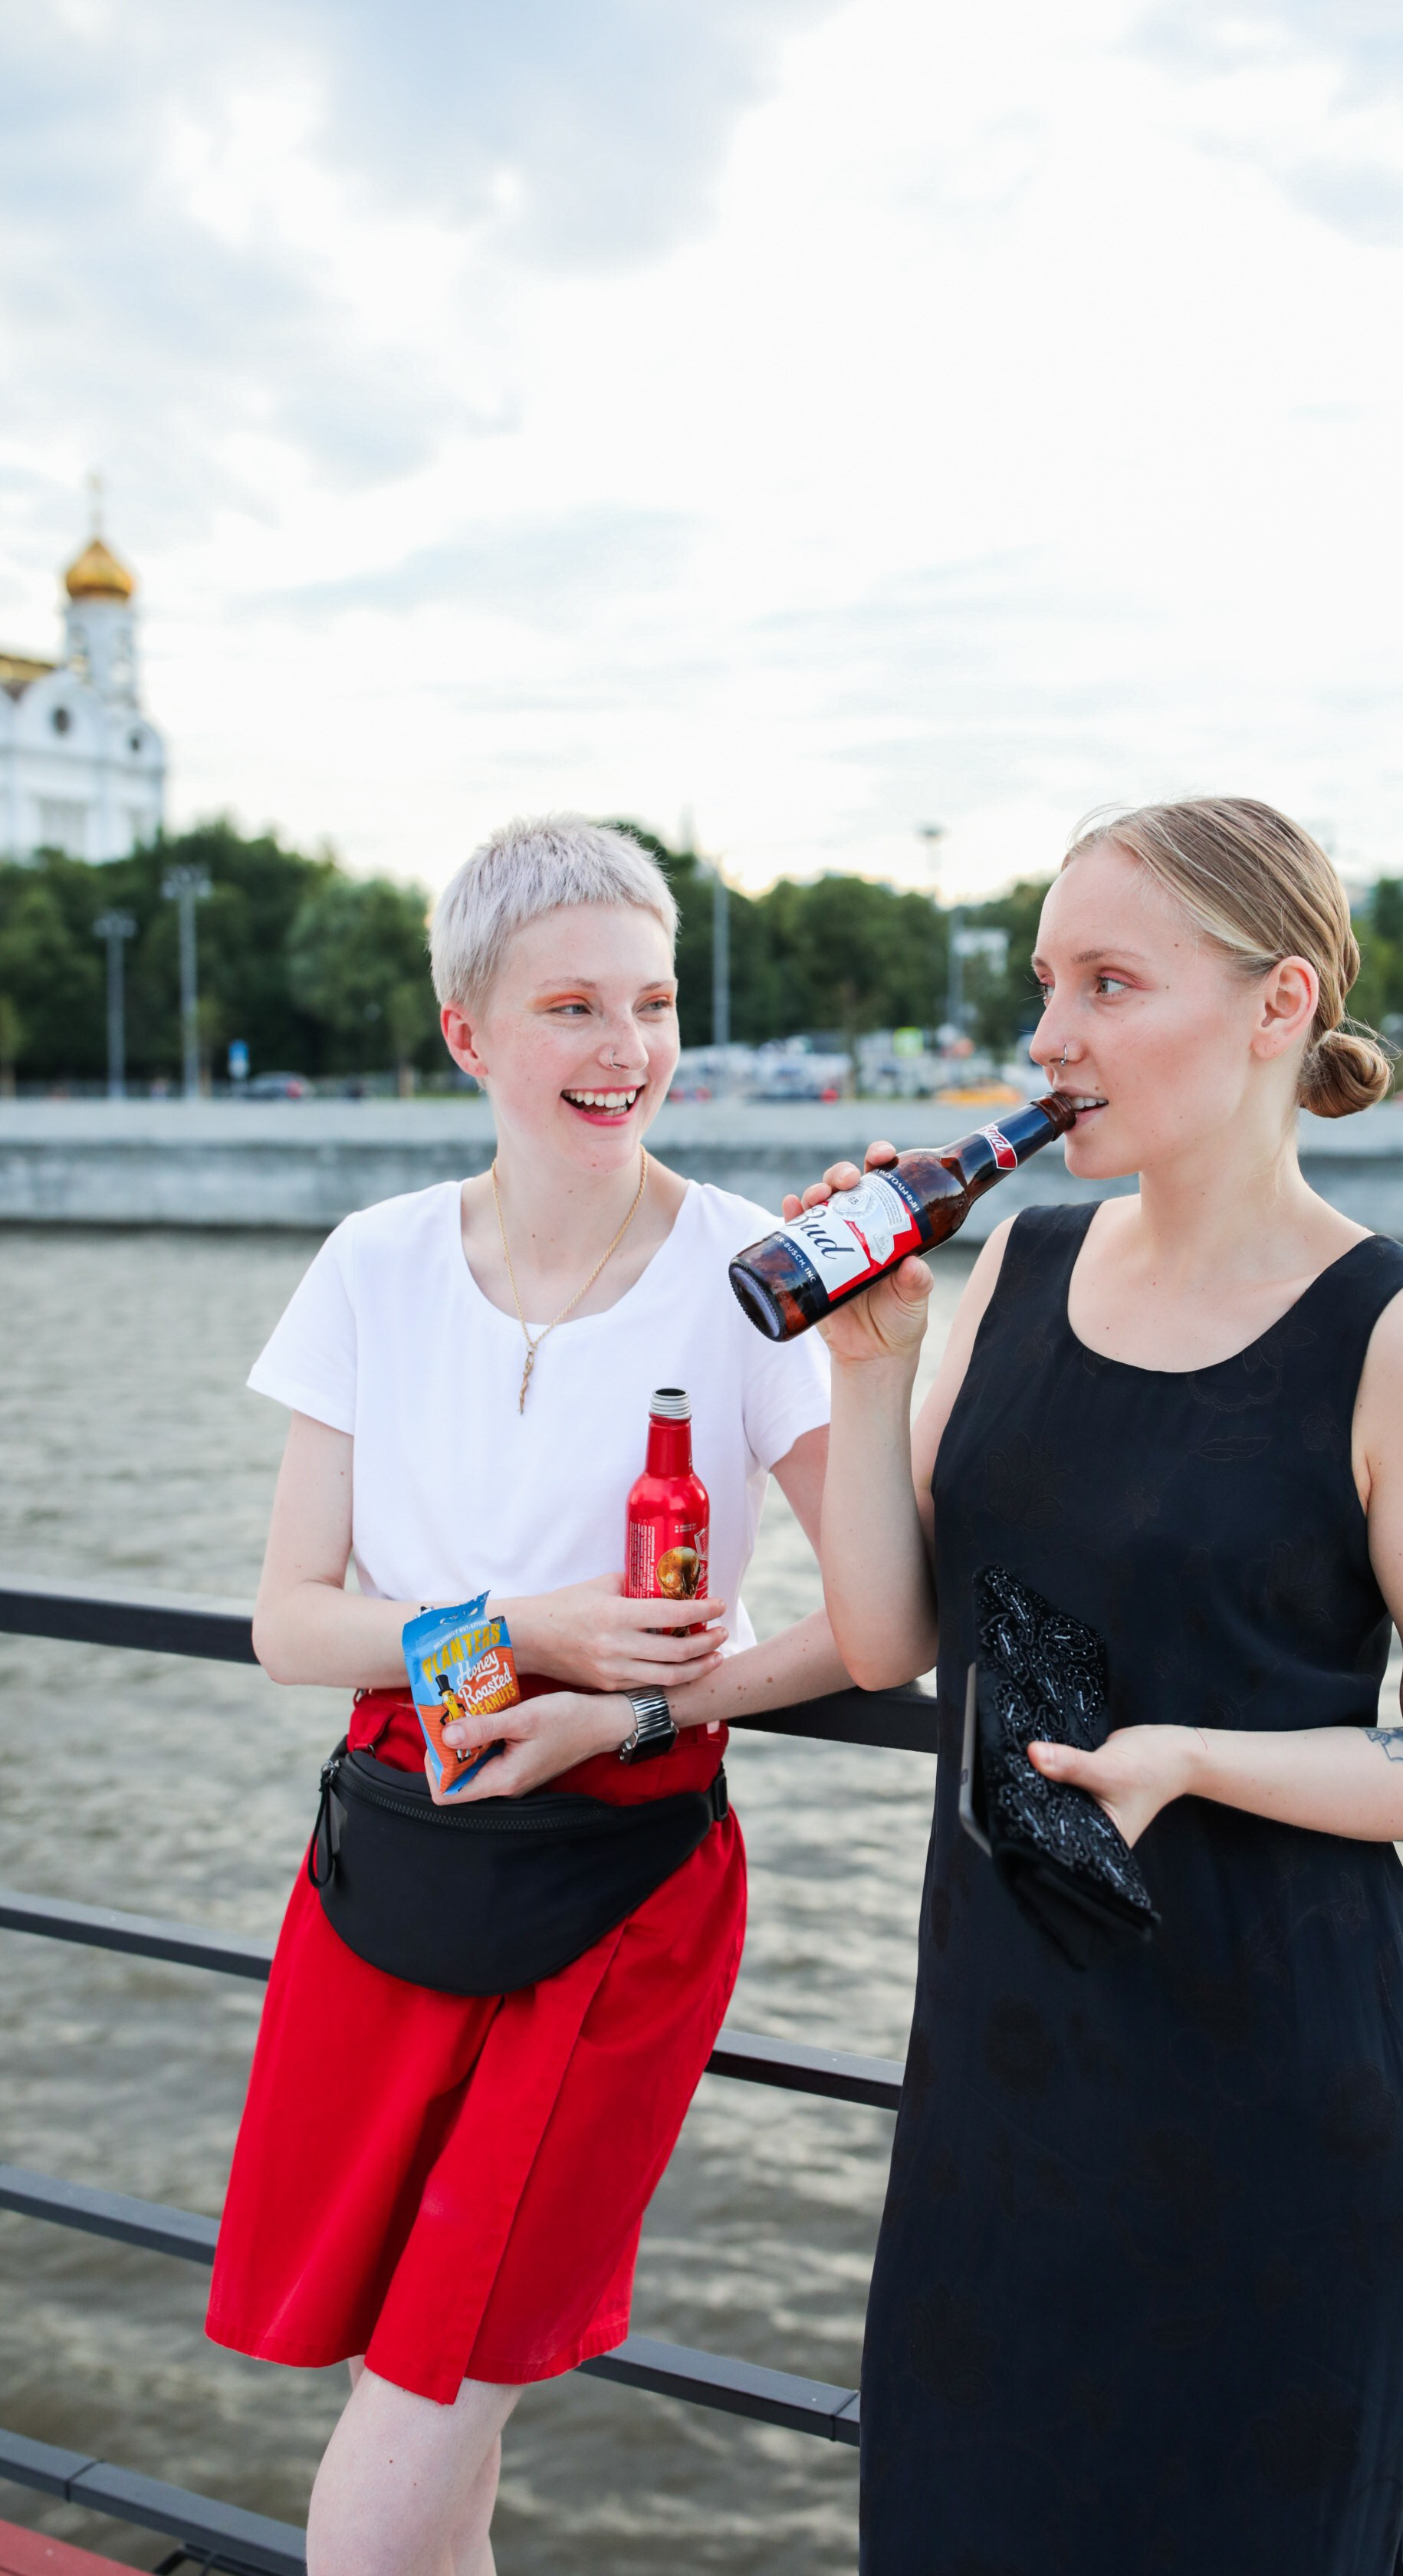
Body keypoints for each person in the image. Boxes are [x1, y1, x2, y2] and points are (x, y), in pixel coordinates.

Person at [795, 799, 1403, 2576]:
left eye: (1109, 982)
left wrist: (1194, 1756)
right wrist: (866, 1378)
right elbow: (897, 1640)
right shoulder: (1015, 1263)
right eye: (1048, 981)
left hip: (1274, 2137)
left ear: (1277, 1005)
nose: (1047, 1038)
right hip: (996, 2107)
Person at [206, 814, 849, 2576]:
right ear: (468, 1034)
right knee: (439, 2393)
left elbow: (885, 1623)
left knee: (437, 2385)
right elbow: (286, 1622)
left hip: (621, 1885)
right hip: (399, 1843)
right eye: (573, 1007)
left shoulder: (754, 1280)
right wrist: (518, 1636)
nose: (627, 1049)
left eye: (649, 1002)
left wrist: (627, 1705)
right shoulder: (375, 1262)